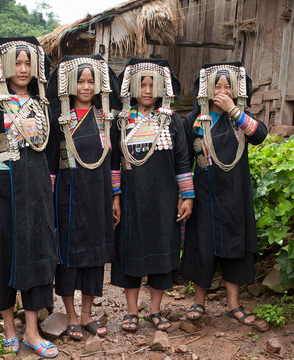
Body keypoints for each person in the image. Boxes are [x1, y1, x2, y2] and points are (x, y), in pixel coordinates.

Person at [0, 37, 58, 358]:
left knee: (38, 255)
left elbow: (49, 153)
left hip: (37, 194)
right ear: (6, 66)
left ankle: (32, 333)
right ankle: (10, 328)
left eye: (28, 63)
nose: (23, 69)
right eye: (17, 63)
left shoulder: (42, 104)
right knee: (6, 256)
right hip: (5, 194)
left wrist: (48, 192)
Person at [111, 58, 194, 332]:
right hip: (132, 199)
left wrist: (186, 195)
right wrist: (116, 196)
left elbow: (183, 159)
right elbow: (113, 161)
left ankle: (156, 311)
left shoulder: (172, 121)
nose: (147, 90)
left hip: (163, 198)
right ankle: (132, 312)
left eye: (152, 85)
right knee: (130, 250)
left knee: (161, 253)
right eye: (142, 85)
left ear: (162, 89)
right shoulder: (121, 121)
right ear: (132, 88)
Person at [181, 62, 267, 325]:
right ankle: (198, 303)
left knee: (235, 246)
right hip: (204, 195)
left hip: (235, 194)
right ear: (205, 90)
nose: (221, 91)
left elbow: (260, 135)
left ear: (237, 89)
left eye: (227, 86)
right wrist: (186, 196)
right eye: (216, 86)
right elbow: (183, 160)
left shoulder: (240, 119)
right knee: (201, 247)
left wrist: (233, 110)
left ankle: (233, 304)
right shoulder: (194, 120)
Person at [46, 55, 121, 341]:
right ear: (70, 84)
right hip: (67, 196)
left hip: (99, 195)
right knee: (68, 256)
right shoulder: (59, 120)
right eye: (81, 81)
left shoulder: (107, 119)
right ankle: (71, 315)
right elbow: (52, 163)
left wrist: (115, 197)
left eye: (91, 81)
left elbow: (114, 162)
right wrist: (50, 199)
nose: (86, 86)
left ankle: (88, 314)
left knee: (95, 255)